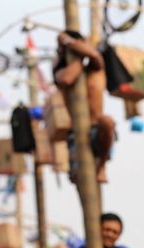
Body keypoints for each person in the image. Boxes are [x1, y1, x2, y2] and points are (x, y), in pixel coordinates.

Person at [53, 30, 116, 183]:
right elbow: (68, 79)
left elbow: (94, 56)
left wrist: (69, 42)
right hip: (77, 131)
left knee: (107, 121)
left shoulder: (96, 69)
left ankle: (101, 167)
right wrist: (78, 57)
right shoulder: (60, 72)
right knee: (79, 180)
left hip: (96, 128)